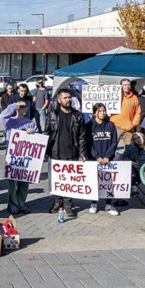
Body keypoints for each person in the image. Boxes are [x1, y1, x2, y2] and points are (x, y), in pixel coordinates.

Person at [45, 88, 90, 217]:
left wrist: (82, 153)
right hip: (55, 153)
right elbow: (48, 133)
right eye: (65, 98)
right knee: (56, 180)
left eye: (69, 97)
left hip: (72, 153)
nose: (68, 100)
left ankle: (68, 205)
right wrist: (46, 151)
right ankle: (57, 203)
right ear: (59, 100)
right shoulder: (53, 114)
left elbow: (82, 136)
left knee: (70, 181)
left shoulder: (78, 115)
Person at [1, 100, 37, 215]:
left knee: (24, 183)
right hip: (13, 157)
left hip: (26, 157)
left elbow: (38, 139)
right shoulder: (10, 122)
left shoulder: (30, 123)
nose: (24, 108)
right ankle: (13, 205)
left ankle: (22, 204)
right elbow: (2, 115)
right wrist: (14, 105)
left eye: (25, 106)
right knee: (13, 183)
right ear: (16, 108)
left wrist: (33, 133)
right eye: (21, 107)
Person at [88, 103, 120, 216]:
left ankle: (108, 204)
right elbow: (88, 143)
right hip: (94, 159)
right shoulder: (89, 125)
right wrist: (97, 157)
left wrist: (107, 156)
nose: (102, 113)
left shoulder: (110, 125)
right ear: (95, 112)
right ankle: (93, 203)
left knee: (107, 183)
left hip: (108, 159)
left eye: (104, 111)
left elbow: (114, 142)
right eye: (100, 111)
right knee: (94, 181)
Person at [109, 78, 142, 147]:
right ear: (121, 86)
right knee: (111, 147)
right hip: (115, 126)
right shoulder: (114, 95)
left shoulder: (134, 98)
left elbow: (138, 112)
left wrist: (133, 124)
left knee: (129, 148)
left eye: (128, 85)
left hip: (129, 127)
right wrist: (102, 87)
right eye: (125, 85)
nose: (127, 87)